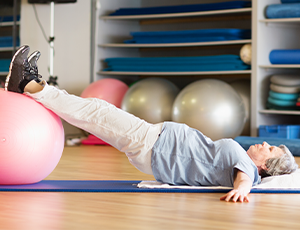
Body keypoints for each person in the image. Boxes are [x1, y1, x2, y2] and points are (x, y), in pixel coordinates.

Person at [5, 45, 298, 203]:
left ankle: (29, 83)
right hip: (157, 144)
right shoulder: (243, 161)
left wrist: (243, 190)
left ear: (264, 167)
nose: (264, 144)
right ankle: (33, 85)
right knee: (96, 111)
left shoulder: (246, 168)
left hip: (155, 146)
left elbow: (244, 180)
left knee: (93, 112)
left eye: (269, 150)